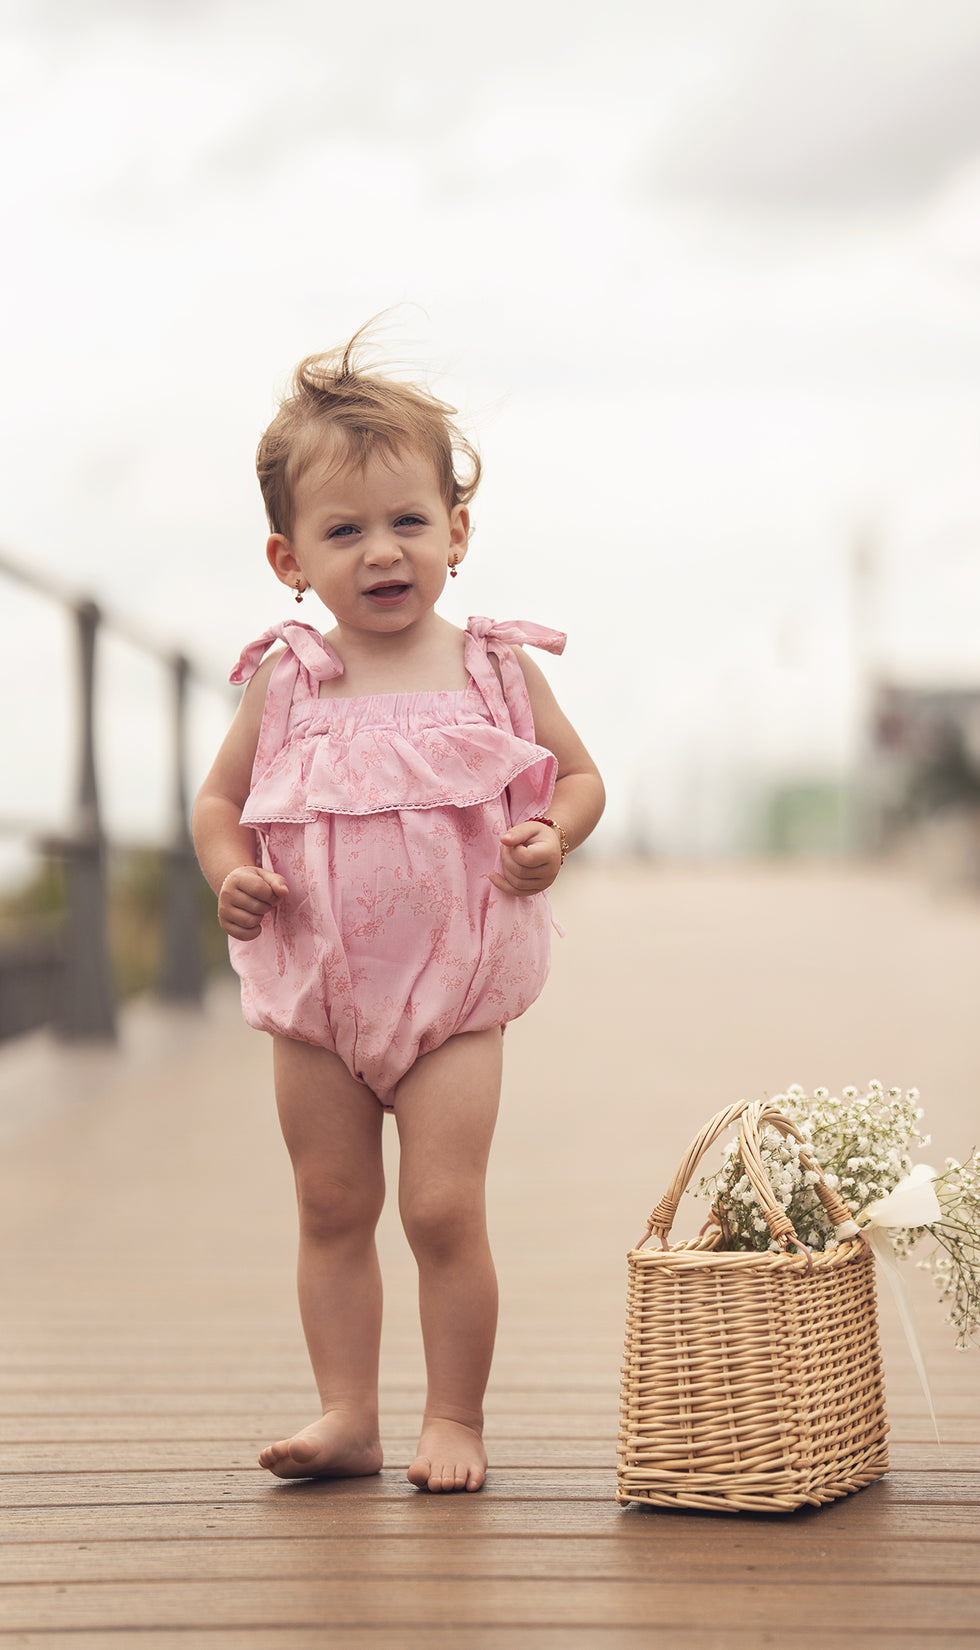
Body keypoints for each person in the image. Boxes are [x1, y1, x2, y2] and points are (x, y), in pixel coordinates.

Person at [192, 328, 604, 1493]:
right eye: (344, 532)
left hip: (453, 993)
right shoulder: (290, 679)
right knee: (331, 1203)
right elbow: (218, 801)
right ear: (289, 559)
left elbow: (579, 778)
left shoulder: (493, 670)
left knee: (439, 1209)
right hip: (316, 991)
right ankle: (346, 1413)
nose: (382, 551)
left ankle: (454, 1417)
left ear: (455, 534)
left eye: (408, 522)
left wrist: (550, 834)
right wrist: (229, 871)